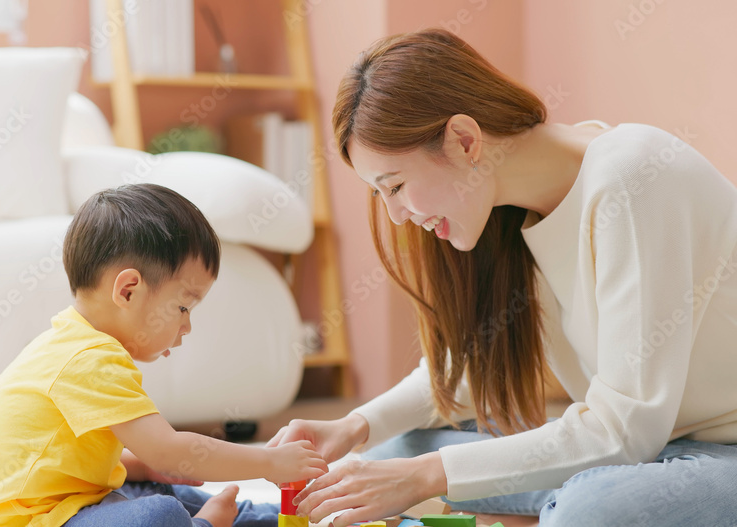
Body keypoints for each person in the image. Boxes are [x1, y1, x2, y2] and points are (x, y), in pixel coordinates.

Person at [268, 28, 737, 527]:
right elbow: (468, 367)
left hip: (716, 453)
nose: (397, 215)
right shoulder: (508, 209)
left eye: (396, 185)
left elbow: (625, 430)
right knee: (393, 452)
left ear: (465, 140)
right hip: (644, 457)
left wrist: (425, 477)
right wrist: (355, 424)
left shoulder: (634, 178)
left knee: (590, 509)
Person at [0, 183, 328, 527]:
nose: (187, 326)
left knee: (166, 491)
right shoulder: (90, 359)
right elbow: (169, 450)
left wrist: (139, 467)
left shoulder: (70, 342)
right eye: (183, 308)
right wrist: (269, 462)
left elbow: (64, 462)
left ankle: (292, 517)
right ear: (129, 290)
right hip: (31, 522)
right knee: (159, 513)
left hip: (67, 504)